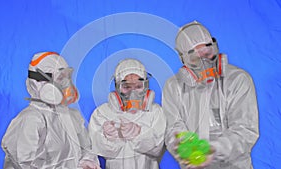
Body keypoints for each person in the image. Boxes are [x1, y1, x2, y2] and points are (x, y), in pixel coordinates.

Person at [162, 21, 259, 169]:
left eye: (208, 54)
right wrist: (186, 151)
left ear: (215, 48)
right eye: (196, 58)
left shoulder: (238, 79)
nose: (205, 63)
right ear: (183, 58)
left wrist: (212, 151)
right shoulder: (173, 87)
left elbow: (245, 130)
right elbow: (173, 129)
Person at [1, 52, 100, 169]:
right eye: (61, 78)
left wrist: (87, 161)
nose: (67, 85)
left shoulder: (72, 116)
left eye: (67, 78)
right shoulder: (31, 119)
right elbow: (25, 164)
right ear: (39, 83)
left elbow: (86, 148)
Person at [88, 58, 166, 169]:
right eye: (126, 87)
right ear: (117, 86)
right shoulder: (102, 113)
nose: (132, 92)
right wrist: (109, 138)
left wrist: (138, 132)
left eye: (138, 86)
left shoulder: (156, 112)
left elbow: (157, 148)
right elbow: (101, 151)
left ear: (146, 86)